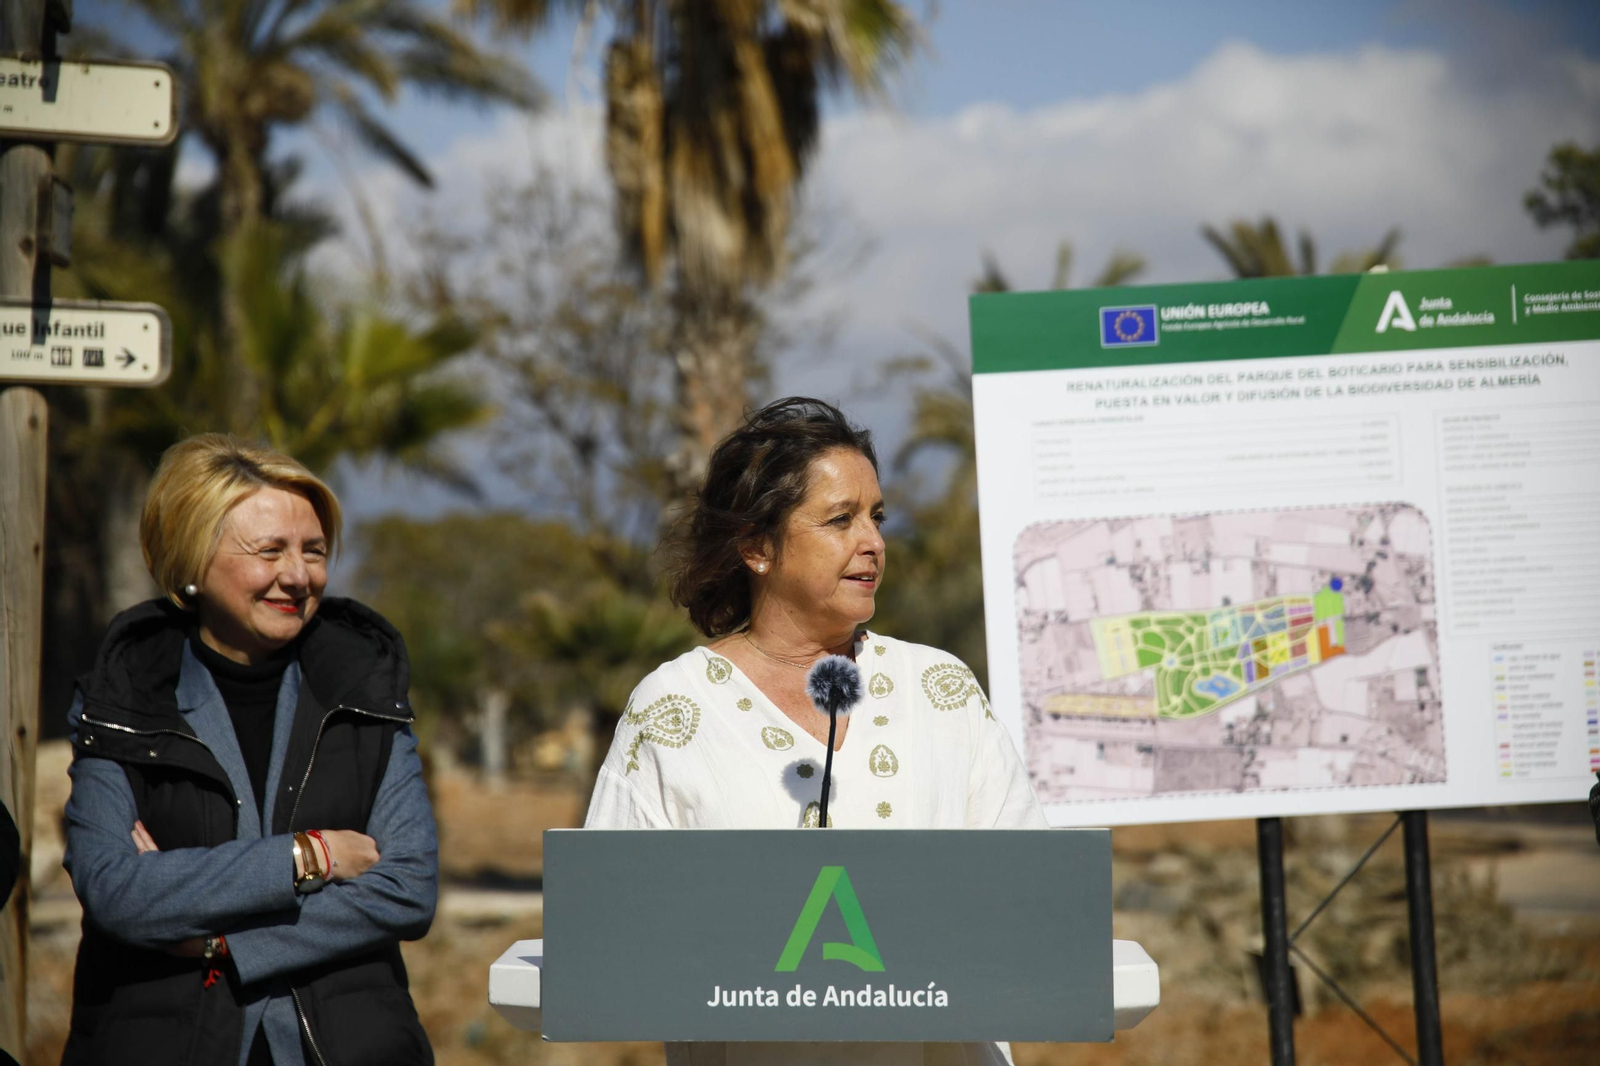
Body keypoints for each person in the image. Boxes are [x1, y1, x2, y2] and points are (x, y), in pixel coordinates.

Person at [584, 397, 1046, 1066]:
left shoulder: (940, 690)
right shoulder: (673, 710)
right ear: (757, 547)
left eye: (877, 517)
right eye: (840, 520)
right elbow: (612, 927)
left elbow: (1030, 896)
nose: (873, 542)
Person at [61, 435, 437, 1066]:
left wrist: (217, 942)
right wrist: (308, 855)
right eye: (270, 551)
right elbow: (115, 889)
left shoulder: (364, 690)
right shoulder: (123, 700)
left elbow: (408, 886)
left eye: (313, 551)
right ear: (191, 560)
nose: (297, 575)